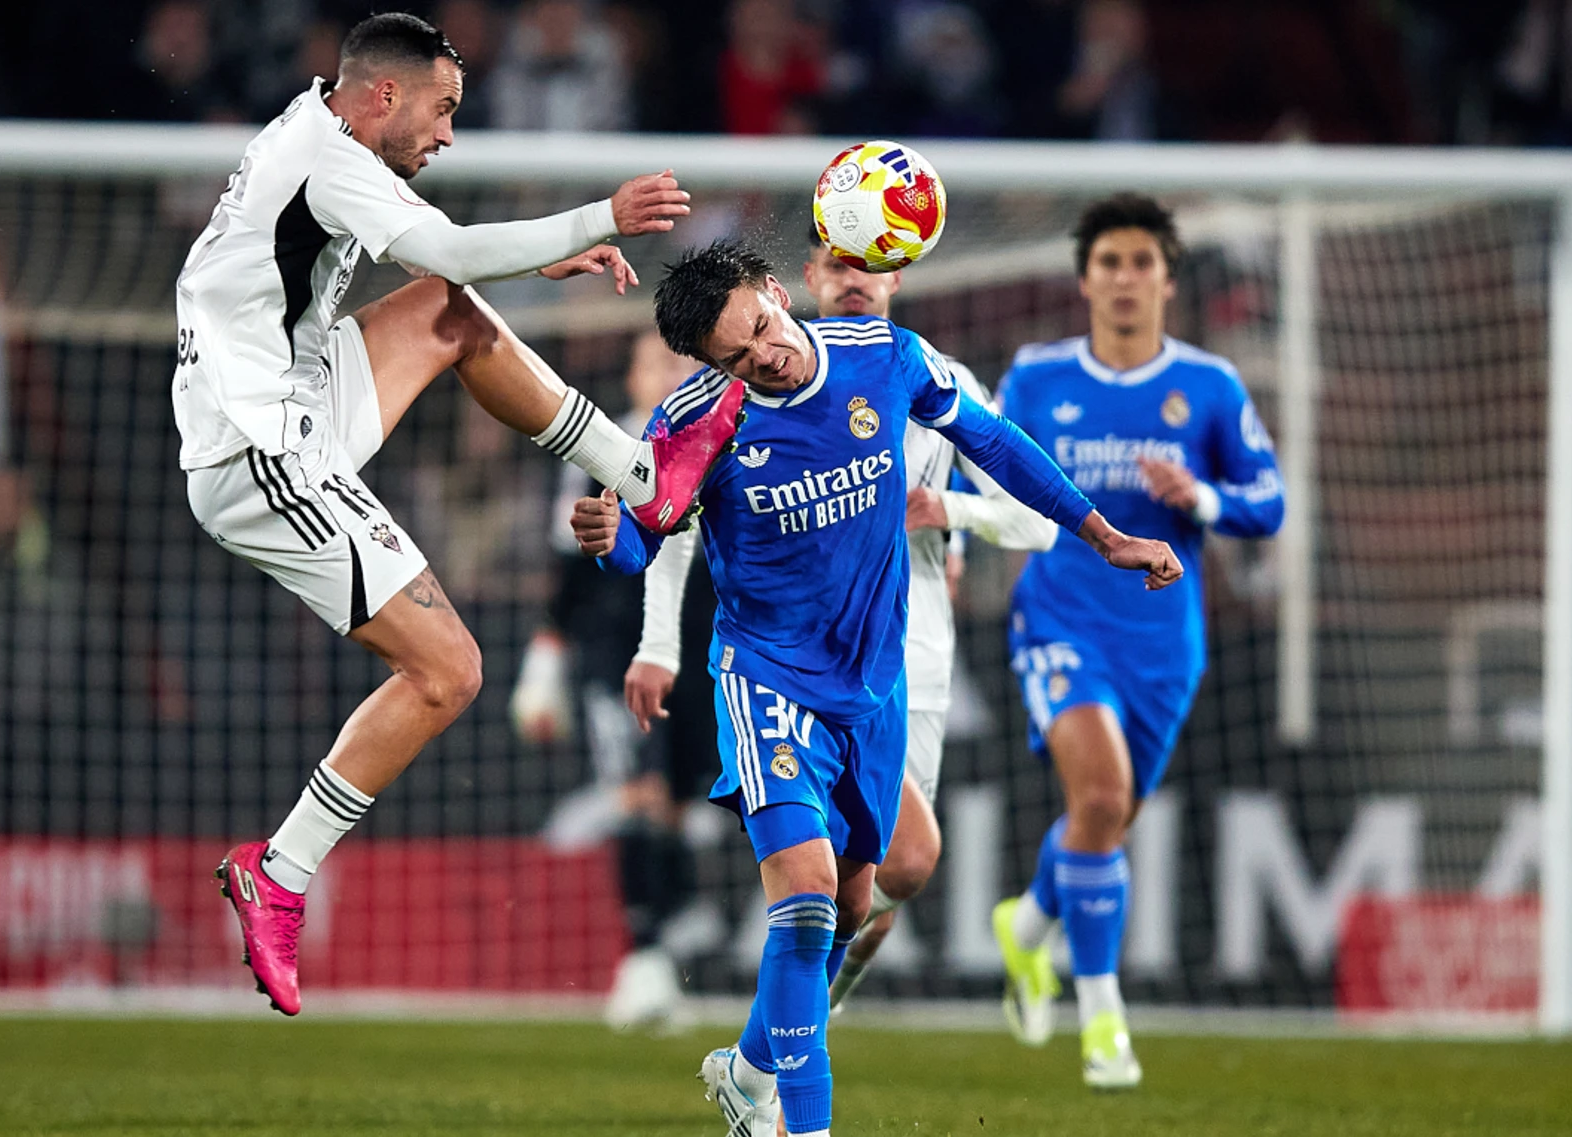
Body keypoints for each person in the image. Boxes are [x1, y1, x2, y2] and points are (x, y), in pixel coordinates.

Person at [180, 11, 745, 1017]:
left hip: (296, 396)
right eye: (442, 109)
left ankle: (642, 474)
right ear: (384, 95)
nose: (447, 134)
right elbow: (446, 238)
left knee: (450, 311)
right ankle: (281, 871)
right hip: (260, 449)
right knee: (449, 670)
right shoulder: (331, 156)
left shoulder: (318, 135)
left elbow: (440, 263)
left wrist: (522, 262)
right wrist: (596, 217)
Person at [571, 239, 1180, 1137]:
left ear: (776, 294)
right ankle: (795, 1124)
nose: (763, 359)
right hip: (765, 677)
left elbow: (995, 441)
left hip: (873, 684)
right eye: (734, 359)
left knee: (859, 902)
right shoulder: (699, 416)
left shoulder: (885, 356)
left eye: (762, 331)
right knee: (811, 895)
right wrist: (607, 535)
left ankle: (746, 1070)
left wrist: (1106, 535)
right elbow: (646, 541)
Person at [622, 240, 1060, 1021]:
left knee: (881, 892)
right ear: (802, 283)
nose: (853, 280)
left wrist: (950, 511)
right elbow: (671, 517)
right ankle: (784, 1052)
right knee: (859, 870)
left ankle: (792, 1031)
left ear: (897, 275)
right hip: (792, 665)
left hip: (909, 656)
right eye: (836, 265)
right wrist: (660, 642)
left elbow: (1036, 518)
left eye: (870, 265)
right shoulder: (739, 395)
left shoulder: (921, 371)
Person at [991, 193, 1284, 1090]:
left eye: (1141, 262)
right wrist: (955, 536)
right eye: (1108, 262)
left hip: (1165, 641)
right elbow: (991, 473)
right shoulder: (1036, 378)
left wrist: (1198, 497)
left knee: (1103, 817)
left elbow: (1268, 504)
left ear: (1166, 278)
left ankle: (1028, 924)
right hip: (1059, 619)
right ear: (1084, 280)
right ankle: (1105, 1021)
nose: (1124, 278)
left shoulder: (1210, 387)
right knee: (1105, 791)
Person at [511, 331, 719, 1029]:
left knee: (675, 808)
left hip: (703, 649)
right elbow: (567, 567)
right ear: (630, 378)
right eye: (652, 362)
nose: (667, 373)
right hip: (616, 649)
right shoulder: (597, 449)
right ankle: (643, 960)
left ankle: (661, 958)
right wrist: (545, 661)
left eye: (679, 361)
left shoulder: (721, 442)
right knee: (637, 791)